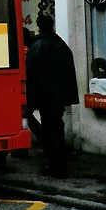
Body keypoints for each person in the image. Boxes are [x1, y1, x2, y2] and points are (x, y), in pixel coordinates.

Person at [26, 12, 78, 177]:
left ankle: (53, 164)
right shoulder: (61, 45)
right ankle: (59, 163)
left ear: (40, 27)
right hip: (59, 96)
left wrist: (31, 100)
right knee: (57, 126)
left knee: (49, 129)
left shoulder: (37, 47)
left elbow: (31, 75)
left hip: (44, 96)